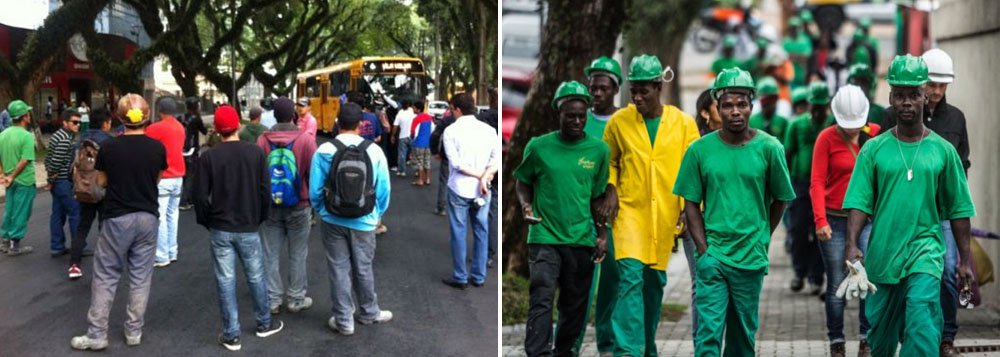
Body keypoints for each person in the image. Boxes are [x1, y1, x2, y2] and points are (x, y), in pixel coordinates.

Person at [840, 54, 975, 357]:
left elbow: (959, 209)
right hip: (884, 255)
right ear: (890, 98)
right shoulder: (873, 150)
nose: (906, 102)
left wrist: (964, 260)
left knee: (921, 320)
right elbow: (859, 202)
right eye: (899, 95)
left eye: (913, 94)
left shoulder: (943, 152)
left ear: (925, 95)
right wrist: (851, 244)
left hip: (925, 251)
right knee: (882, 339)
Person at [673, 68, 796, 356]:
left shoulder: (769, 148)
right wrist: (703, 250)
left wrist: (763, 233)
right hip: (713, 258)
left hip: (750, 259)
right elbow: (690, 202)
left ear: (751, 105)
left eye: (741, 104)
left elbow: (782, 198)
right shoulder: (699, 151)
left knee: (742, 339)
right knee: (708, 336)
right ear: (717, 107)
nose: (735, 111)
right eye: (727, 104)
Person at [600, 55, 700, 356]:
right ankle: (626, 351)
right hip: (629, 212)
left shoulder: (683, 124)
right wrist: (611, 187)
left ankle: (646, 346)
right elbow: (611, 161)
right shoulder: (619, 122)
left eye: (644, 90)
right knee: (630, 278)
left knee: (653, 286)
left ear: (659, 87)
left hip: (665, 216)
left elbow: (693, 171)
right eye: (634, 90)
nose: (638, 97)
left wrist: (688, 207)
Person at [881, 49, 970, 357]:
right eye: (932, 83)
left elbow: (962, 167)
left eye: (942, 86)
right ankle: (912, 330)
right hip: (898, 216)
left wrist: (965, 253)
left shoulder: (955, 119)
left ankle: (945, 337)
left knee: (945, 271)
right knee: (901, 283)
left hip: (938, 215)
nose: (936, 91)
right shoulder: (892, 115)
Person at [516, 81, 609, 357]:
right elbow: (523, 181)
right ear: (559, 113)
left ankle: (564, 352)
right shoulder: (538, 147)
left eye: (582, 115)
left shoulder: (599, 150)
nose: (577, 121)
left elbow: (597, 198)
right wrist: (526, 206)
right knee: (542, 297)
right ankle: (538, 353)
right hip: (544, 236)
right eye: (571, 115)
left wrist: (602, 235)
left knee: (574, 307)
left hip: (581, 239)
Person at [70, 94, 167, 350]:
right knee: (141, 276)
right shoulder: (157, 148)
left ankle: (97, 334)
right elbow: (156, 180)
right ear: (146, 117)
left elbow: (101, 182)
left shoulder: (110, 148)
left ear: (120, 119)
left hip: (117, 217)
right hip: (148, 217)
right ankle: (134, 331)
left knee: (106, 275)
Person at [195, 105, 283, 351]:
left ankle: (231, 334)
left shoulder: (208, 157)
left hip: (220, 226)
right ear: (238, 126)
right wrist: (260, 217)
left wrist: (207, 220)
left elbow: (200, 197)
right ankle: (264, 323)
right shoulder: (255, 153)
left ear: (216, 130)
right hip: (248, 224)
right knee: (256, 275)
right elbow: (265, 190)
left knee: (225, 280)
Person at [308, 102, 393, 335]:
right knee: (363, 267)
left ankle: (344, 320)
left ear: (337, 122)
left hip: (332, 220)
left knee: (338, 268)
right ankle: (369, 312)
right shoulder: (374, 151)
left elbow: (315, 190)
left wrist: (323, 211)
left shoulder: (324, 150)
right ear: (362, 124)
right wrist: (376, 215)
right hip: (365, 220)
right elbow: (383, 190)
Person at [810, 85, 879, 357]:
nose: (851, 129)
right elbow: (816, 181)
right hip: (834, 222)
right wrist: (820, 220)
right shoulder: (826, 138)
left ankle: (866, 338)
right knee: (838, 281)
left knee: (866, 280)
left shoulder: (875, 133)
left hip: (866, 220)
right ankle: (837, 342)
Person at [570, 56, 621, 356]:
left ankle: (608, 343)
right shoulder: (578, 119)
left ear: (615, 89)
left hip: (615, 213)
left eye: (603, 87)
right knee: (580, 285)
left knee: (612, 284)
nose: (597, 93)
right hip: (580, 212)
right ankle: (571, 344)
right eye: (593, 87)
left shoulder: (626, 120)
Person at [256, 97, 317, 315]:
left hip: (271, 205)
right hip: (299, 205)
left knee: (270, 253)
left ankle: (273, 300)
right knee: (298, 253)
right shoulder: (306, 140)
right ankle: (296, 299)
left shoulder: (263, 140)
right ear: (293, 114)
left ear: (274, 115)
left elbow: (258, 174)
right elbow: (313, 174)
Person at [440, 93, 499, 290]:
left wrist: (478, 176)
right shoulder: (489, 131)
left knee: (458, 231)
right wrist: (484, 177)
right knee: (481, 231)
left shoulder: (450, 131)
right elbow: (496, 160)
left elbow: (456, 164)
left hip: (459, 188)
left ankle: (460, 277)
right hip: (483, 189)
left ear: (456, 109)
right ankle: (479, 276)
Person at [783, 81, 831, 295]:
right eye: (815, 107)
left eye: (822, 107)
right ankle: (799, 272)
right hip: (801, 184)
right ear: (809, 105)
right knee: (798, 229)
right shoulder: (796, 125)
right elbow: (787, 154)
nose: (818, 111)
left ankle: (816, 277)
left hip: (825, 187)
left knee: (821, 231)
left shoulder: (833, 124)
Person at [68, 108, 114, 279]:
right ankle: (104, 266)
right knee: (105, 227)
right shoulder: (109, 142)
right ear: (105, 123)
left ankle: (74, 265)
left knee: (82, 227)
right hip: (103, 190)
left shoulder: (81, 141)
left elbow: (71, 168)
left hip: (84, 189)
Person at [146, 97, 187, 267]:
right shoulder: (180, 127)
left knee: (160, 217)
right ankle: (172, 251)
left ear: (160, 111)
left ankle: (162, 255)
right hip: (178, 176)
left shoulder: (155, 128)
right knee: (173, 215)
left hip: (163, 177)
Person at [0, 100, 38, 256]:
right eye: (28, 113)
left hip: (9, 181)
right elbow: (25, 160)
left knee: (10, 210)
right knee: (22, 211)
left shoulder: (2, 134)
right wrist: (12, 175)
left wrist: (3, 175)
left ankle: (4, 239)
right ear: (25, 116)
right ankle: (15, 245)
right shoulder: (27, 136)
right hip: (24, 180)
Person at [45, 110, 82, 258]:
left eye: (78, 122)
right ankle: (77, 247)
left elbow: (48, 160)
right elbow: (54, 163)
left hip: (57, 182)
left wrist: (50, 178)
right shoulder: (65, 139)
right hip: (62, 181)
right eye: (74, 122)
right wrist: (51, 180)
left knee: (58, 214)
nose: (77, 125)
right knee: (75, 212)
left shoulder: (58, 135)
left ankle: (57, 246)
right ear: (65, 122)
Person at [179, 97, 207, 210]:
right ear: (196, 107)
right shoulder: (196, 119)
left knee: (185, 175)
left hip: (181, 148)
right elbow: (204, 131)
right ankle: (184, 201)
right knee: (191, 175)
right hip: (192, 149)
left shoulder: (180, 117)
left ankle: (189, 199)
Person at [409, 100, 434, 186]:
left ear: (418, 109)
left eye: (414, 108)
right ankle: (427, 179)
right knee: (427, 161)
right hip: (428, 143)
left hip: (419, 143)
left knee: (419, 161)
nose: (413, 110)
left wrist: (412, 139)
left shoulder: (416, 119)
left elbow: (412, 132)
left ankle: (420, 180)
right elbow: (432, 130)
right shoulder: (430, 117)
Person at [391, 100, 416, 177]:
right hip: (412, 136)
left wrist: (392, 135)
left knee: (402, 154)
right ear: (409, 105)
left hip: (403, 136)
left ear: (401, 105)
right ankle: (418, 171)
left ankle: (401, 171)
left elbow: (395, 126)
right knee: (415, 154)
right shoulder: (412, 111)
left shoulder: (399, 114)